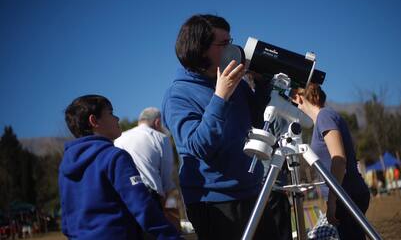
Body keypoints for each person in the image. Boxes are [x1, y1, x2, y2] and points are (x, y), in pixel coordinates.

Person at [161, 14, 279, 239]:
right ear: (200, 49)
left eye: (230, 41)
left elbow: (257, 121)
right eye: (224, 44)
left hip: (253, 193)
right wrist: (220, 96)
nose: (232, 48)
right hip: (214, 203)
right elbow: (199, 146)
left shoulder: (236, 84)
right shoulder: (178, 95)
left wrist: (262, 84)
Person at [59, 95, 182, 240]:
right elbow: (142, 207)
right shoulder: (114, 157)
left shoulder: (65, 165)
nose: (117, 118)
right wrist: (171, 236)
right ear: (94, 121)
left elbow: (66, 220)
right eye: (111, 113)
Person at [291, 83, 370, 240]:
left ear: (298, 98)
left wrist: (332, 201)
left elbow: (339, 159)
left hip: (346, 194)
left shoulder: (324, 117)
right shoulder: (324, 117)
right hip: (346, 193)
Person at [114, 107, 176, 202]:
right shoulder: (161, 138)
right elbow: (167, 178)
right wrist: (168, 204)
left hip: (123, 199)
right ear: (157, 122)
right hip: (150, 198)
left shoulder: (119, 139)